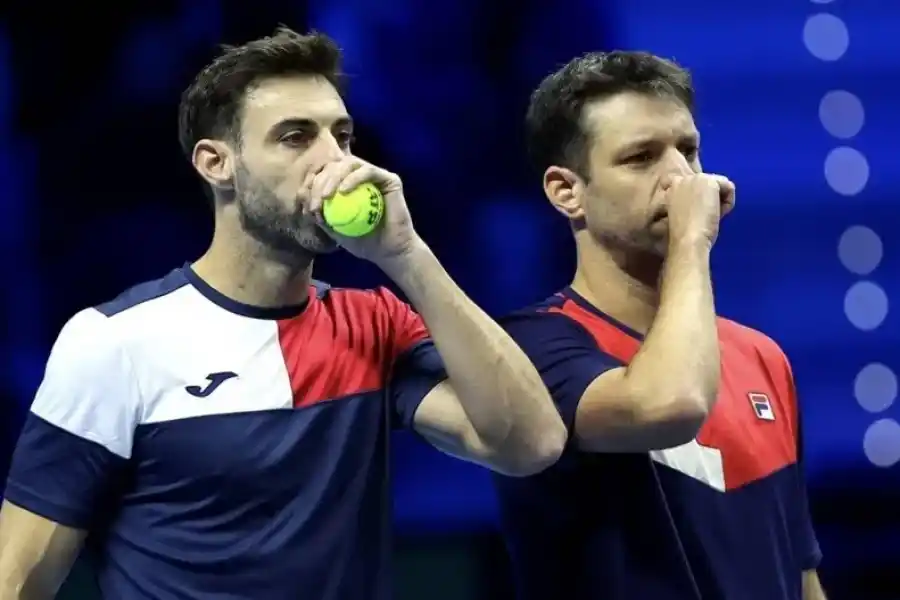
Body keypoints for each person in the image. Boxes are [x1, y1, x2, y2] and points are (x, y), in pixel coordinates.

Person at [0, 27, 567, 600]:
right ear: (216, 163)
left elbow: (531, 443)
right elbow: (18, 578)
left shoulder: (374, 324)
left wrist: (408, 257)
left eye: (342, 136)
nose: (335, 160)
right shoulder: (116, 342)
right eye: (296, 137)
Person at [492, 51, 827, 600]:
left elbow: (800, 573)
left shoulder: (761, 356)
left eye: (688, 151)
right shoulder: (531, 347)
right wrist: (691, 241)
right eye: (642, 157)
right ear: (566, 191)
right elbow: (668, 405)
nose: (680, 178)